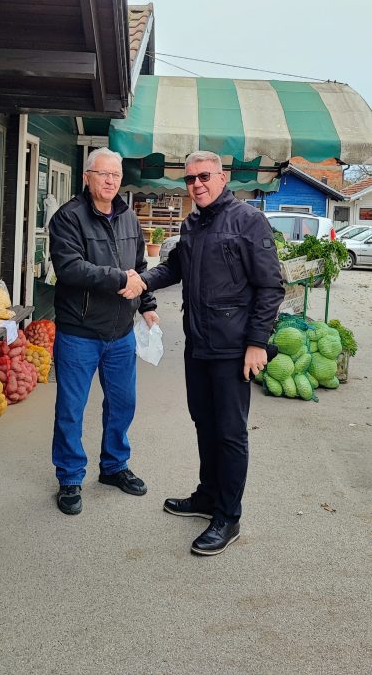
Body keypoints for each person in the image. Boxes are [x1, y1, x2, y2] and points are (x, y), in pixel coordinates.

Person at [122, 151, 284, 556]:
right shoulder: (192, 223)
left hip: (233, 348)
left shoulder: (248, 221)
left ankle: (229, 517)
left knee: (230, 433)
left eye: (204, 176)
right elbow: (174, 268)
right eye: (190, 179)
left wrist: (256, 343)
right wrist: (143, 281)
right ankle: (208, 496)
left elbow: (271, 287)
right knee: (204, 423)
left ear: (222, 177)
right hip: (198, 345)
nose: (196, 184)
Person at [49, 147, 158, 515]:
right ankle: (69, 477)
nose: (110, 181)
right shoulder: (69, 218)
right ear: (87, 177)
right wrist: (119, 279)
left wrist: (148, 305)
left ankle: (113, 466)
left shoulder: (128, 218)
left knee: (123, 404)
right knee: (71, 409)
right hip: (79, 332)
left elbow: (139, 267)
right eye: (103, 174)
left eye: (116, 175)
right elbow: (70, 268)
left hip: (121, 332)